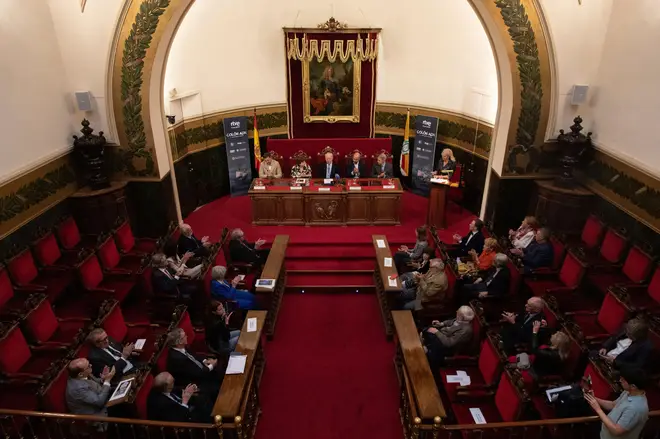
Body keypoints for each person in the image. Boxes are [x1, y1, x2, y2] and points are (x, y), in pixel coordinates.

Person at [584, 366, 649, 439]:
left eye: (623, 380)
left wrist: (598, 409)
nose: (620, 380)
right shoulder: (628, 392)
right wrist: (594, 399)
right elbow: (613, 405)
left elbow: (616, 431)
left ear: (633, 386)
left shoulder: (635, 408)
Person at [166, 328, 221, 398]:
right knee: (218, 386)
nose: (187, 337)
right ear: (179, 342)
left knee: (221, 373)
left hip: (201, 371)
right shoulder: (178, 359)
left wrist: (205, 361)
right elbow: (198, 374)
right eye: (184, 336)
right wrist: (212, 365)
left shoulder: (182, 347)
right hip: (196, 382)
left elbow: (195, 355)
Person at [65, 358, 115, 431]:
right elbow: (99, 402)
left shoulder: (83, 374)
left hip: (104, 400)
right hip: (95, 415)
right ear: (80, 374)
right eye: (88, 366)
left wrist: (103, 379)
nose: (91, 365)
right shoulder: (78, 389)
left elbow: (94, 383)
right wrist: (107, 381)